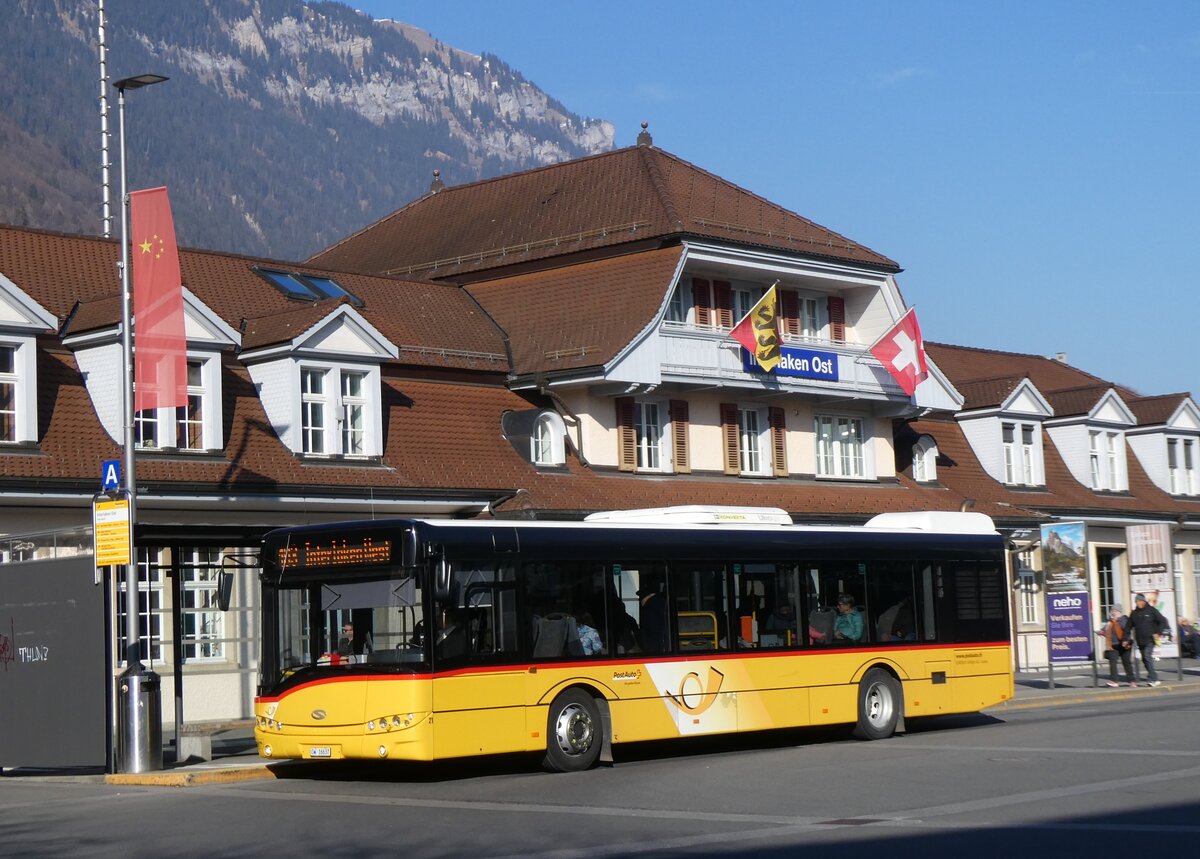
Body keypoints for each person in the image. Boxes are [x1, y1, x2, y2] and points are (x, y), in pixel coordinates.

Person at [1128, 593, 1169, 686]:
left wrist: (1158, 632)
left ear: (1144, 601)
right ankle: (1154, 677)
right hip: (1140, 640)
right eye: (1136, 601)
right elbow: (1128, 626)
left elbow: (1163, 621)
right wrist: (1125, 638)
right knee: (1144, 659)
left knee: (1147, 656)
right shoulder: (1134, 613)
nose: (1138, 603)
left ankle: (1152, 679)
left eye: (1139, 601)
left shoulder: (1151, 610)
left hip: (1150, 639)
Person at [1096, 605, 1134, 687]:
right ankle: (1114, 681)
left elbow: (1127, 631)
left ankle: (1132, 681)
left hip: (1124, 644)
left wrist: (1126, 641)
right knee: (1112, 661)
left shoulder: (1124, 620)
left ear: (1119, 612)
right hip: (1113, 645)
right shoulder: (1110, 622)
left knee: (1126, 662)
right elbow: (1105, 630)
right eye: (1112, 611)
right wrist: (1101, 632)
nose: (1113, 613)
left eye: (1115, 611)